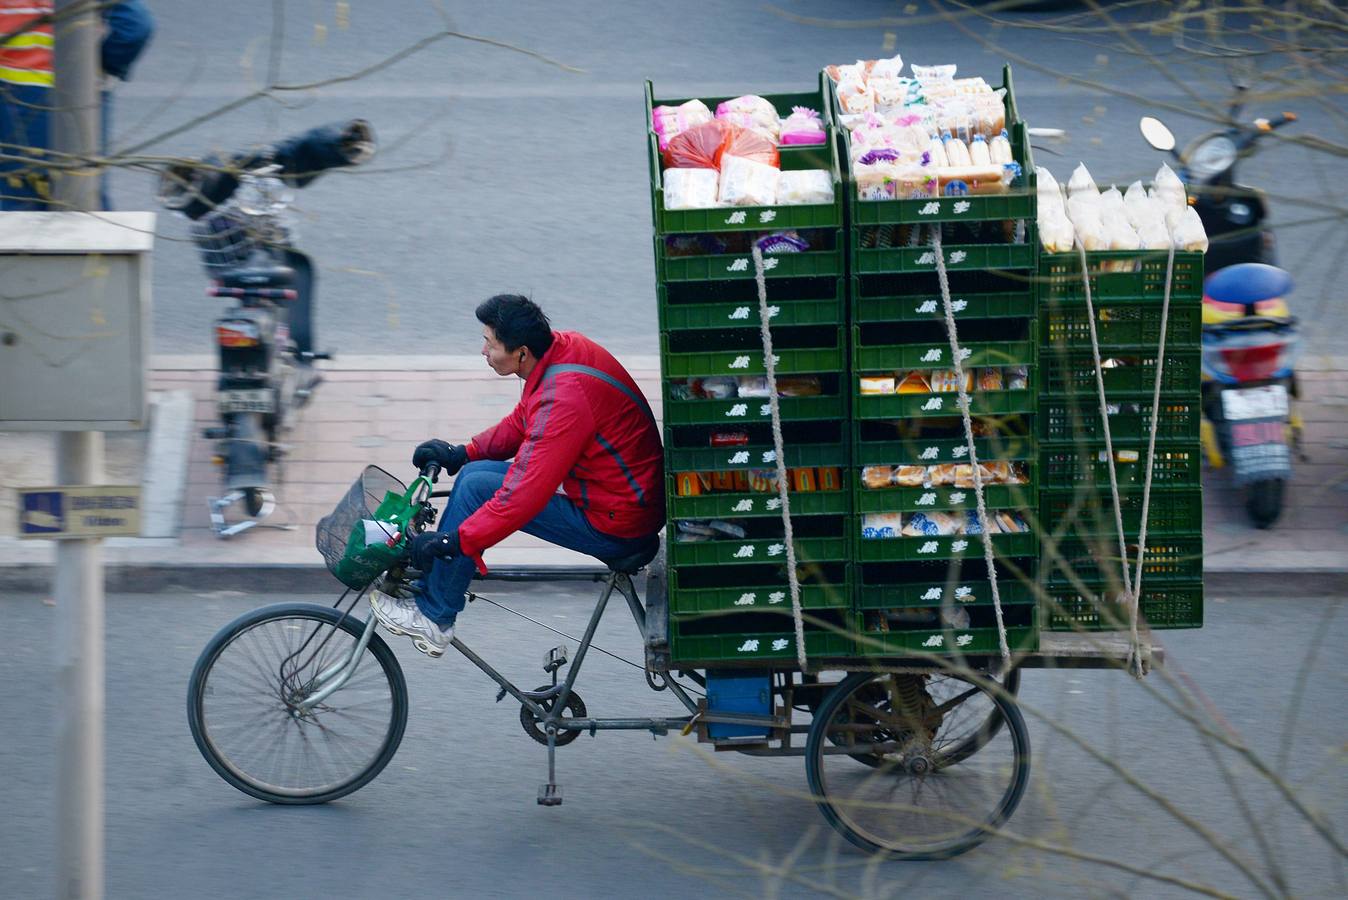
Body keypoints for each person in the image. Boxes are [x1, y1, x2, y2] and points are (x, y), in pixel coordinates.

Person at [368, 294, 665, 657]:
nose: (483, 351)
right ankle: (439, 599)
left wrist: (454, 542)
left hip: (618, 526)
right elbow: (525, 421)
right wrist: (464, 453)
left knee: (478, 489)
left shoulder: (564, 399)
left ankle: (434, 616)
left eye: (490, 343)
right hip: (619, 499)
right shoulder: (561, 351)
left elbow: (522, 496)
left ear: (520, 352)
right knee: (474, 475)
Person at [0, 0, 153, 210]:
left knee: (15, 207)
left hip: (12, 108)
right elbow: (136, 26)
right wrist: (96, 69)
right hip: (82, 105)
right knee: (85, 204)